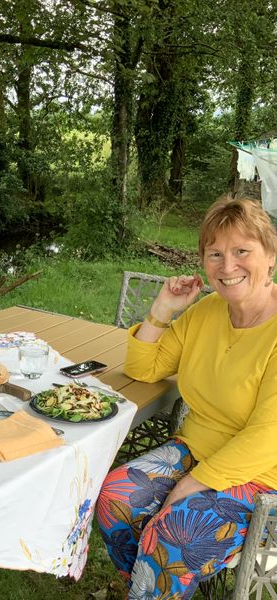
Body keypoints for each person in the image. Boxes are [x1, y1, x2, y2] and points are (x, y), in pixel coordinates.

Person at [96, 195, 277, 599]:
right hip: (197, 447)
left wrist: (191, 484)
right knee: (114, 500)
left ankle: (155, 586)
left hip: (263, 476)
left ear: (271, 255)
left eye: (241, 251)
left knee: (172, 535)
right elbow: (145, 368)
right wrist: (163, 309)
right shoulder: (207, 311)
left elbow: (269, 437)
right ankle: (150, 589)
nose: (227, 267)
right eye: (215, 254)